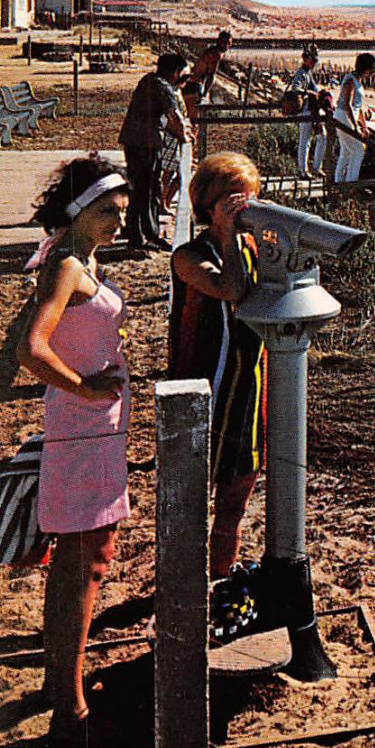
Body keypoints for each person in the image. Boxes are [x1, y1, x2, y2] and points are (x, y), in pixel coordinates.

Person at [16, 155, 133, 748]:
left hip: (91, 429)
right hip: (85, 430)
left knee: (72, 563)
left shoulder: (78, 257)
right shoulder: (66, 265)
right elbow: (30, 349)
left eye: (121, 209)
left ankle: (55, 686)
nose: (118, 218)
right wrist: (85, 387)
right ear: (77, 209)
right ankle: (71, 709)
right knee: (87, 564)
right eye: (105, 209)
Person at [168, 153, 267, 580]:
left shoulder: (252, 247)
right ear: (209, 206)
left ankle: (220, 578)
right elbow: (230, 288)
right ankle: (186, 585)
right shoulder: (190, 255)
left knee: (234, 500)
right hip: (203, 385)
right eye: (233, 202)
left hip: (249, 387)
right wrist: (228, 235)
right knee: (190, 499)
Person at [117, 52, 188, 250]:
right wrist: (185, 135)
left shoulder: (147, 80)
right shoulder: (162, 87)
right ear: (174, 72)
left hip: (133, 141)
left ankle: (137, 232)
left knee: (138, 188)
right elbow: (174, 116)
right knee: (149, 189)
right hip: (146, 143)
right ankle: (148, 234)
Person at [333, 53, 375, 185]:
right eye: (370, 71)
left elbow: (358, 108)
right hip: (343, 115)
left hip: (348, 115)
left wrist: (363, 126)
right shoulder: (350, 81)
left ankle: (339, 181)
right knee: (358, 150)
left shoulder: (357, 81)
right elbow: (347, 104)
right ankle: (350, 182)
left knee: (346, 151)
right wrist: (355, 126)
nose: (370, 75)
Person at [288, 45, 326, 177]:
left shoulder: (307, 73)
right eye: (313, 60)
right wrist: (309, 92)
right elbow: (295, 89)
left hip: (312, 111)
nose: (314, 63)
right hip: (305, 110)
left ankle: (316, 167)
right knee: (305, 140)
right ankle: (303, 170)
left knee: (322, 137)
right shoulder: (301, 73)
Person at [184, 30, 233, 125]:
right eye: (224, 43)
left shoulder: (215, 51)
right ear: (218, 41)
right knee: (195, 120)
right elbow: (211, 75)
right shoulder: (216, 53)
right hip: (194, 84)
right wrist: (205, 94)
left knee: (193, 118)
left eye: (229, 44)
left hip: (194, 83)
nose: (226, 46)